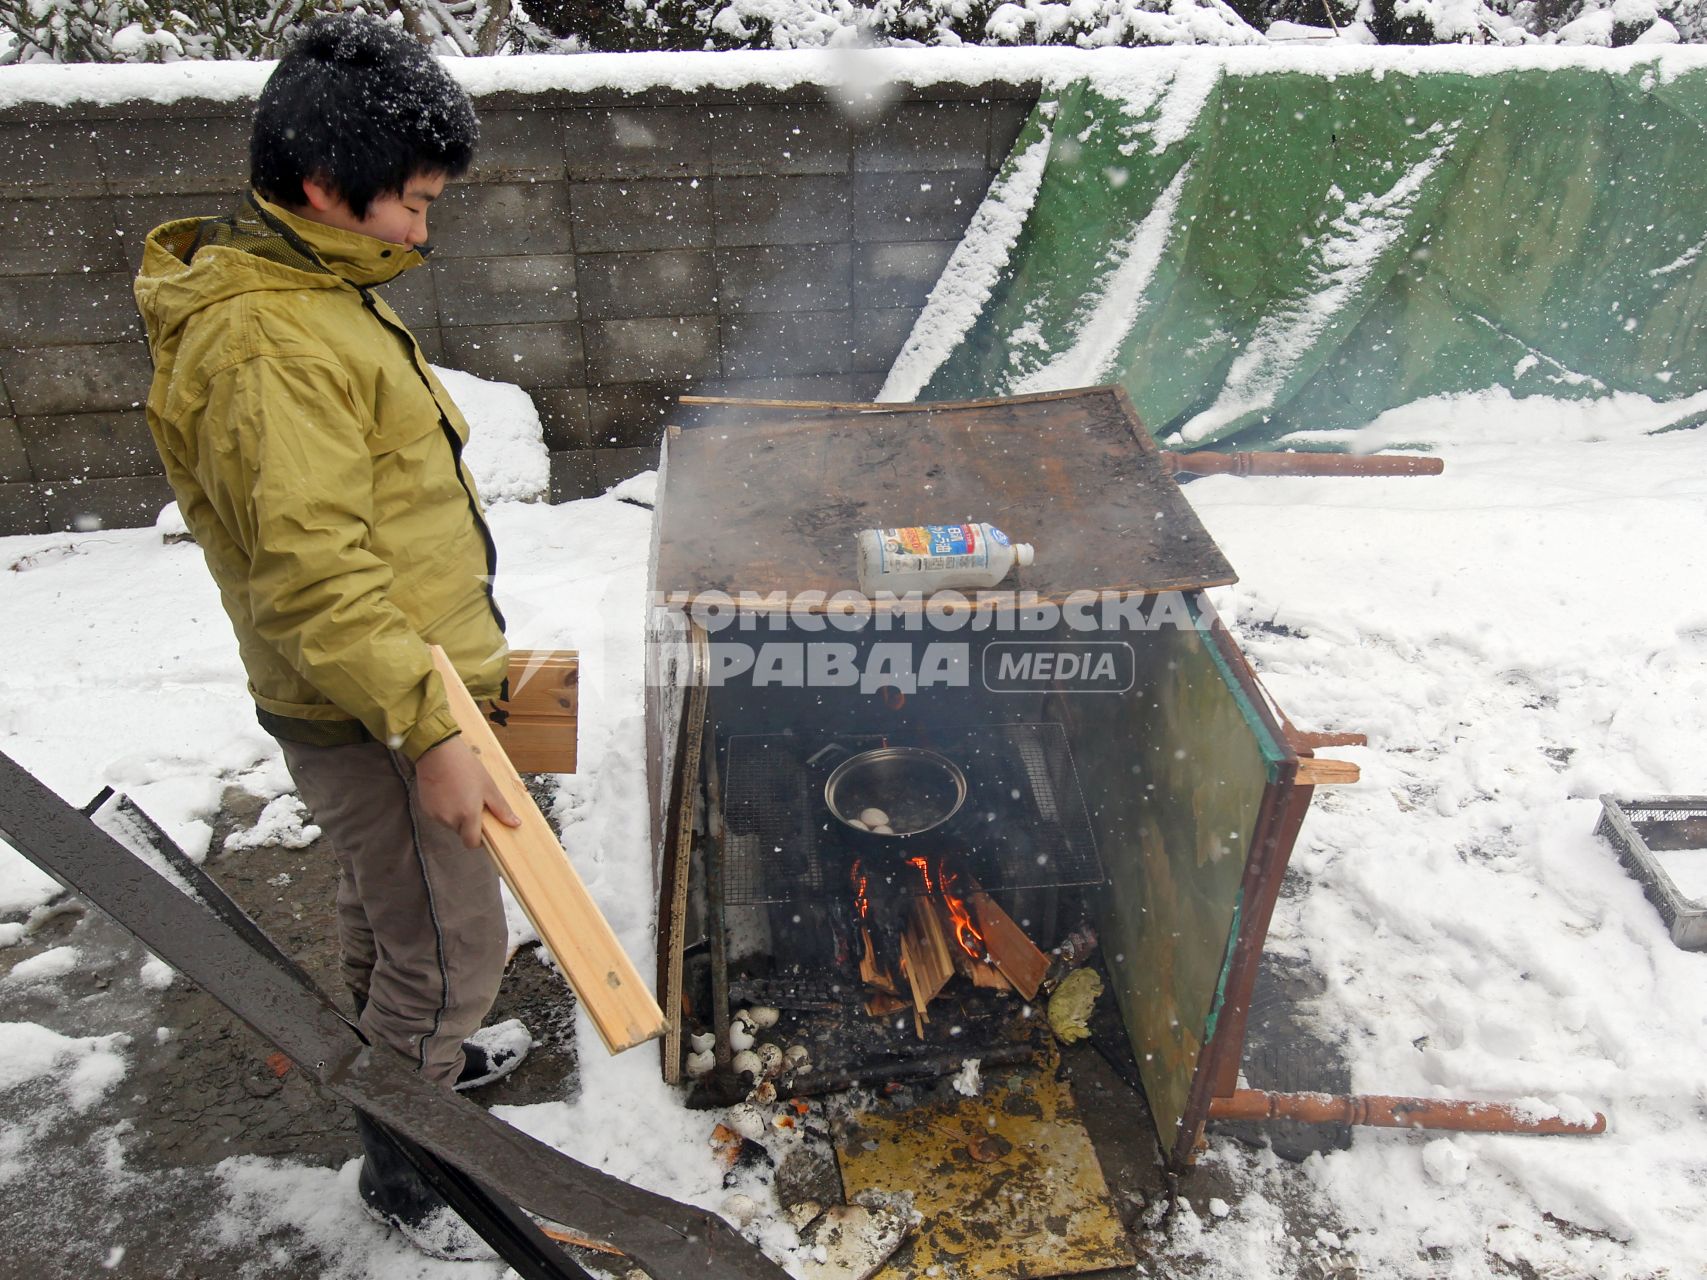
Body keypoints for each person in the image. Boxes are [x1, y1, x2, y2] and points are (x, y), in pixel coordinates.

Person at [133, 14, 527, 1260]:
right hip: (375, 701)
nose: (424, 226)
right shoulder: (268, 336)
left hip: (389, 684)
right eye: (410, 202)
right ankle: (413, 1170)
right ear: (321, 187)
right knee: (459, 941)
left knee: (390, 907)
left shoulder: (314, 287)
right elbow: (314, 570)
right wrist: (428, 728)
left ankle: (417, 1057)